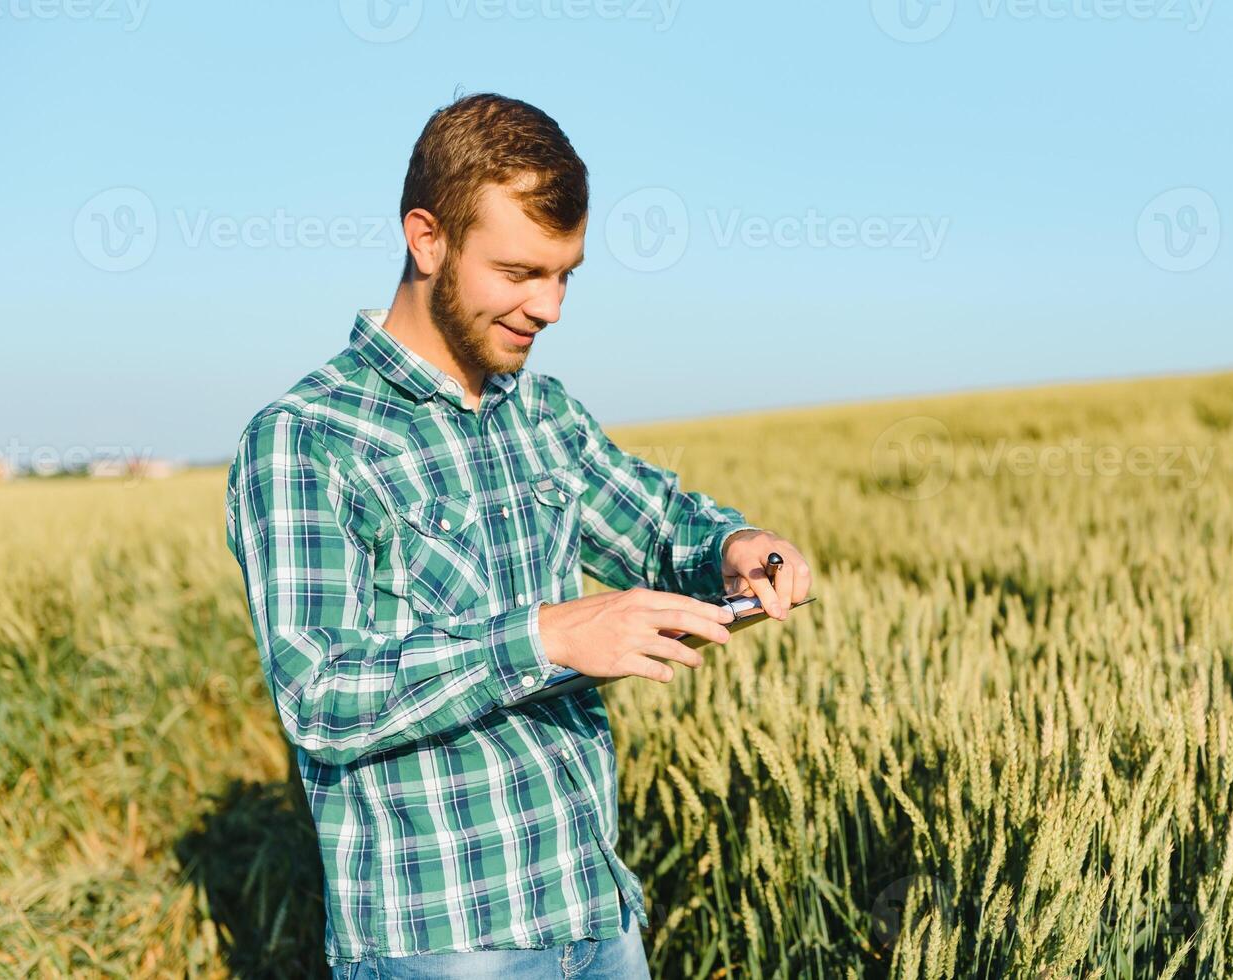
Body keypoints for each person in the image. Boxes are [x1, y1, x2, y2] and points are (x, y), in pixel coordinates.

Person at [223, 91, 813, 978]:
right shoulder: (307, 439)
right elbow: (321, 694)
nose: (551, 307)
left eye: (565, 273)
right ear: (427, 239)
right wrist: (547, 635)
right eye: (519, 272)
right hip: (446, 946)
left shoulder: (540, 410)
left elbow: (657, 525)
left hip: (597, 914)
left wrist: (735, 545)